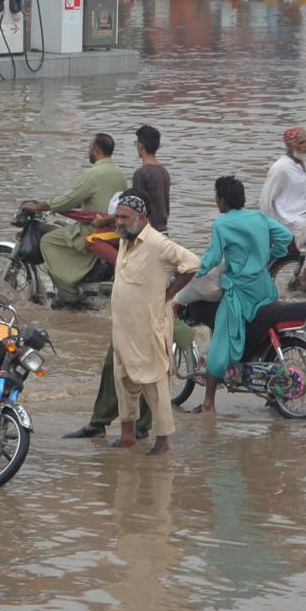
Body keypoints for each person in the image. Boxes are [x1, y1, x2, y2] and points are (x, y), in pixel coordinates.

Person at [65, 128, 171, 440]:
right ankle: (137, 428)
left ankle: (111, 424)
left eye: (124, 218)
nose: (122, 220)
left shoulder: (140, 178)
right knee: (147, 369)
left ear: (139, 147)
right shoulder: (163, 173)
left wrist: (107, 221)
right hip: (146, 307)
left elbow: (134, 208)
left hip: (139, 317)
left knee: (123, 367)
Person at [99, 194, 200, 456]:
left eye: (124, 217)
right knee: (124, 382)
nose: (119, 222)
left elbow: (192, 264)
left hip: (148, 327)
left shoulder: (158, 243)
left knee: (154, 384)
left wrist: (170, 293)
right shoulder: (126, 239)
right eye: (118, 217)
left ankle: (163, 442)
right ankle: (127, 437)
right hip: (123, 328)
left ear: (142, 218)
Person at [191, 176, 293, 415]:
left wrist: (191, 270)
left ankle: (208, 403)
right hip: (265, 288)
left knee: (219, 344)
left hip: (240, 292)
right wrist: (270, 255)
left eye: (217, 197)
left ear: (222, 200)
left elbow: (213, 258)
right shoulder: (258, 216)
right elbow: (286, 238)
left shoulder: (222, 224)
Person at [22, 132, 128, 307]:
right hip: (113, 229)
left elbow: (69, 199)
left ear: (96, 150)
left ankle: (68, 294)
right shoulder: (120, 174)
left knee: (48, 241)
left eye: (89, 148)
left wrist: (39, 206)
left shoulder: (93, 174)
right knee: (61, 230)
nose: (88, 151)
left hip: (92, 229)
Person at [259, 126, 306, 283]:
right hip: (292, 221)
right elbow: (265, 202)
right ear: (290, 146)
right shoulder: (280, 168)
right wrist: (272, 231)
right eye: (300, 142)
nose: (305, 145)